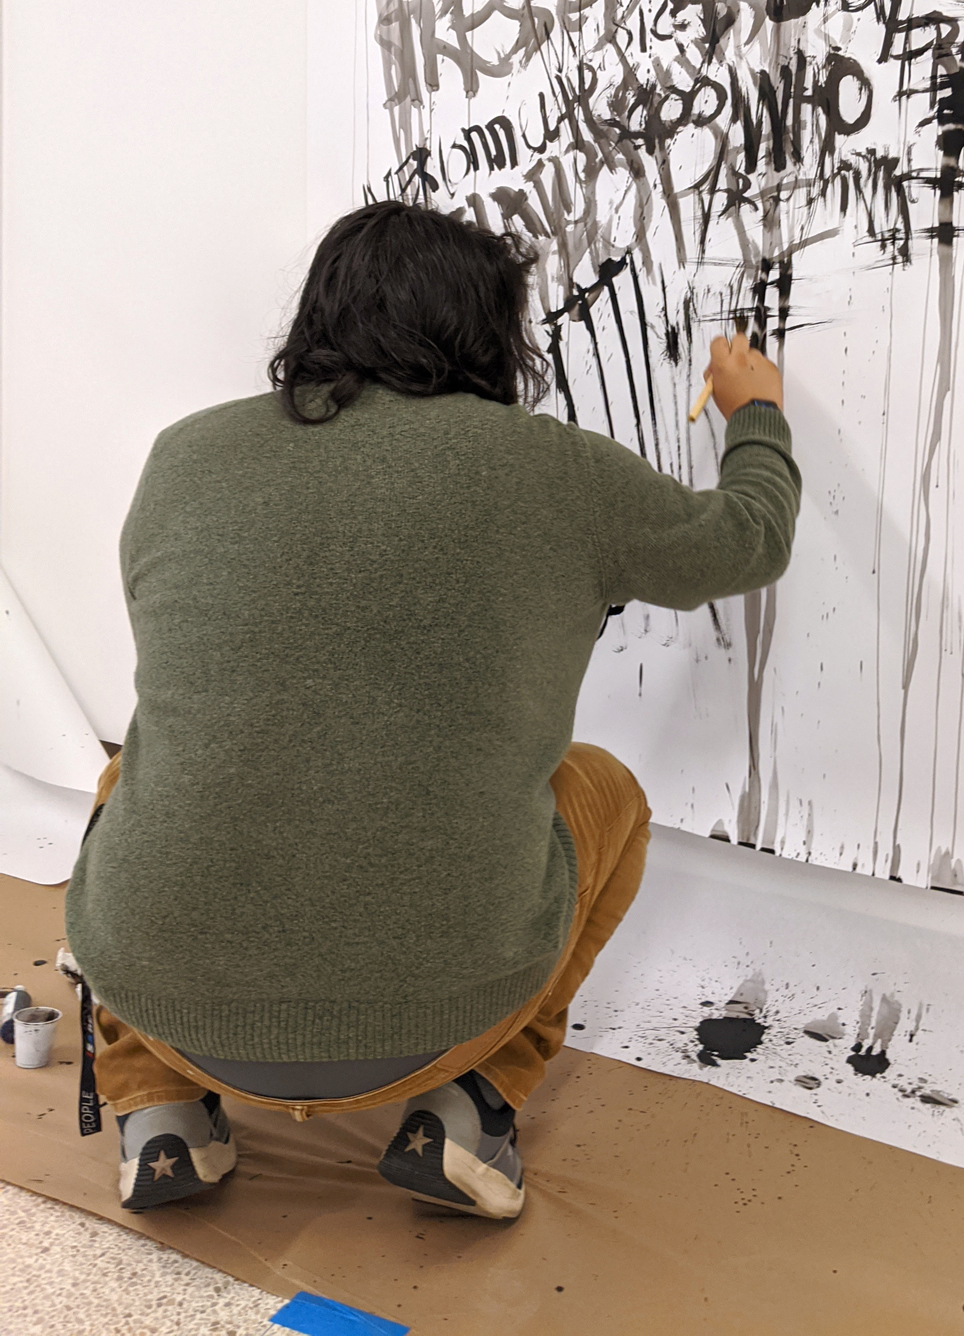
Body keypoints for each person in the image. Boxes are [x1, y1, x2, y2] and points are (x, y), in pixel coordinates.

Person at [64, 202, 800, 1219]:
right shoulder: (555, 469)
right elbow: (750, 540)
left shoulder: (183, 455)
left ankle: (161, 1113)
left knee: (128, 772)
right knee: (609, 791)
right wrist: (756, 412)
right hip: (441, 1018)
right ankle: (469, 1111)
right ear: (491, 331)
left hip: (168, 1003)